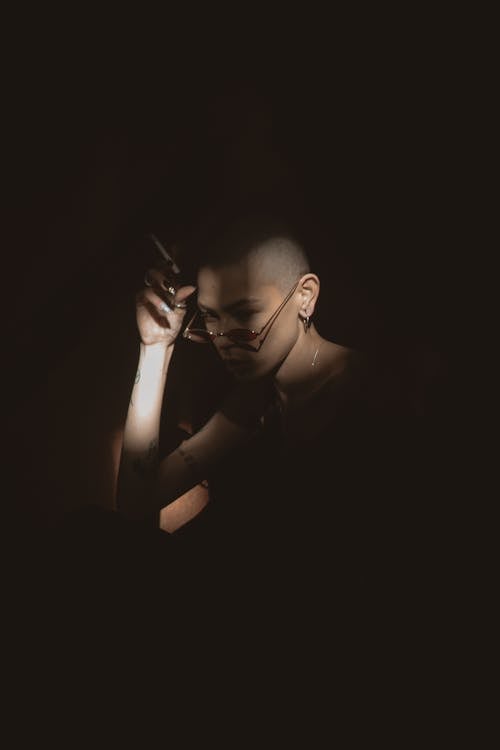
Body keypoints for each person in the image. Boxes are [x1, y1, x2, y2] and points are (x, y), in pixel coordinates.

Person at [115, 203, 423, 615]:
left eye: (244, 315)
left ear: (305, 297)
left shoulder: (370, 391)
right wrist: (155, 349)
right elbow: (135, 507)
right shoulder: (252, 400)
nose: (224, 339)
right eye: (209, 319)